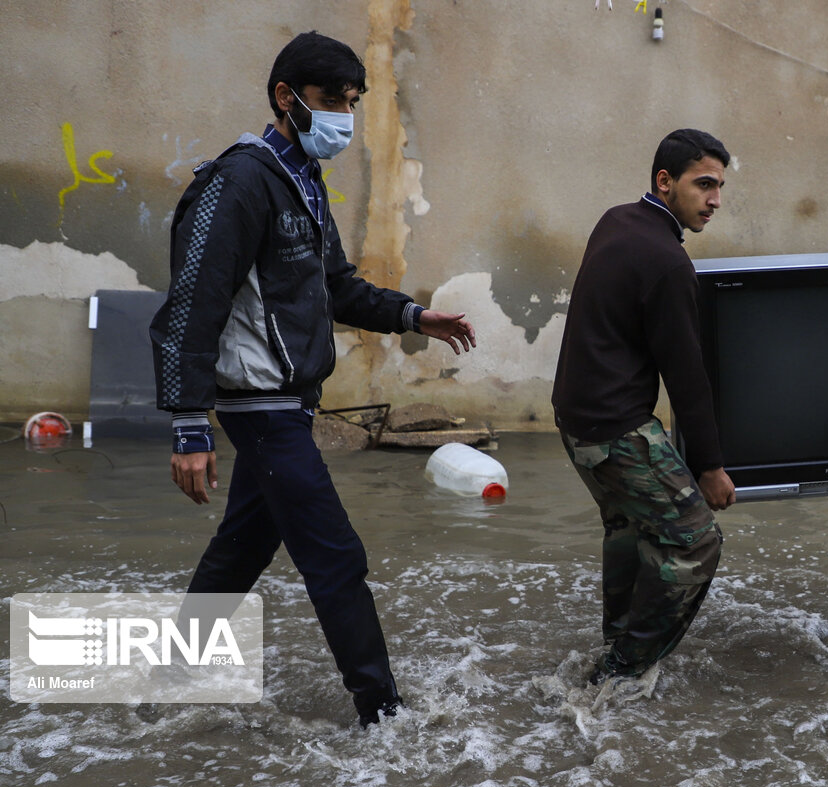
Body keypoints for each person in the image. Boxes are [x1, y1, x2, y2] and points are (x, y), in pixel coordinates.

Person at [148, 31, 476, 726]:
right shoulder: (239, 181)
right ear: (285, 98)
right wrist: (187, 424)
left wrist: (416, 315)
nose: (344, 119)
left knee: (241, 550)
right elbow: (191, 305)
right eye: (332, 101)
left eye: (353, 103)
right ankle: (384, 718)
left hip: (289, 405)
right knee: (336, 555)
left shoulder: (302, 181)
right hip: (261, 408)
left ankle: (166, 680)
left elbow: (338, 289)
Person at [552, 128, 736, 685]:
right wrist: (709, 467)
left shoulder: (616, 220)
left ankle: (616, 646)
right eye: (703, 184)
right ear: (665, 181)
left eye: (720, 187)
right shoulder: (668, 261)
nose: (715, 200)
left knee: (630, 528)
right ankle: (626, 668)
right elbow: (686, 377)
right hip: (616, 428)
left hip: (574, 421)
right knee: (696, 538)